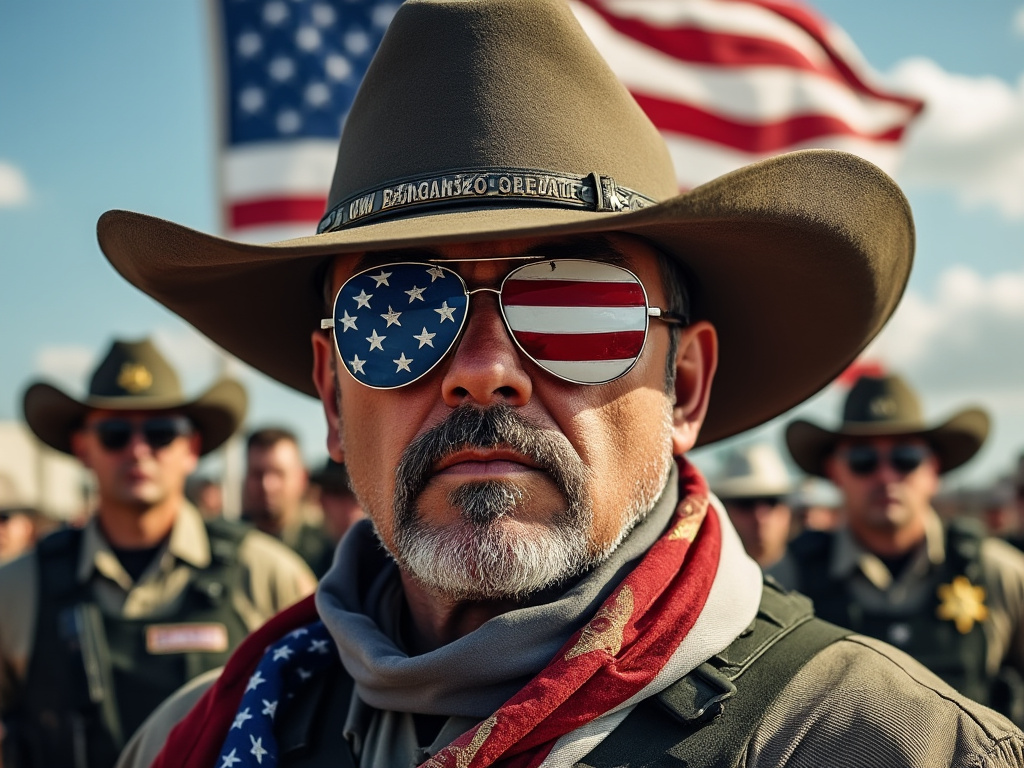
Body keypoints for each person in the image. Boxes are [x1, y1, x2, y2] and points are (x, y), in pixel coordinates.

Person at [100, 1, 1022, 765]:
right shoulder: (201, 736)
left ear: (687, 385)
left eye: (578, 309)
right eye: (402, 314)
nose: (485, 371)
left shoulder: (887, 746)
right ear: (332, 399)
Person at [0, 338, 318, 768]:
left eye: (160, 433)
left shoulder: (263, 573)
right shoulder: (19, 588)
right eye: (114, 434)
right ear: (82, 448)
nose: (138, 450)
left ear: (191, 449)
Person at [782, 372, 1024, 724]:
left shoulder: (999, 574)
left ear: (934, 469)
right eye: (863, 460)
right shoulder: (787, 582)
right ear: (834, 471)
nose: (885, 475)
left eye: (906, 457)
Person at [242, 428, 334, 577]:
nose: (267, 485)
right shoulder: (228, 546)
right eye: (257, 474)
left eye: (279, 473)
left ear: (302, 478)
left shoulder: (328, 553)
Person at [709, 443, 794, 571]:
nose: (760, 517)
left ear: (787, 511)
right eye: (745, 503)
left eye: (771, 502)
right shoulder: (708, 581)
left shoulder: (821, 573)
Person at [310, 459, 366, 545]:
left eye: (358, 495)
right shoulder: (310, 552)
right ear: (322, 500)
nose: (348, 509)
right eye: (337, 492)